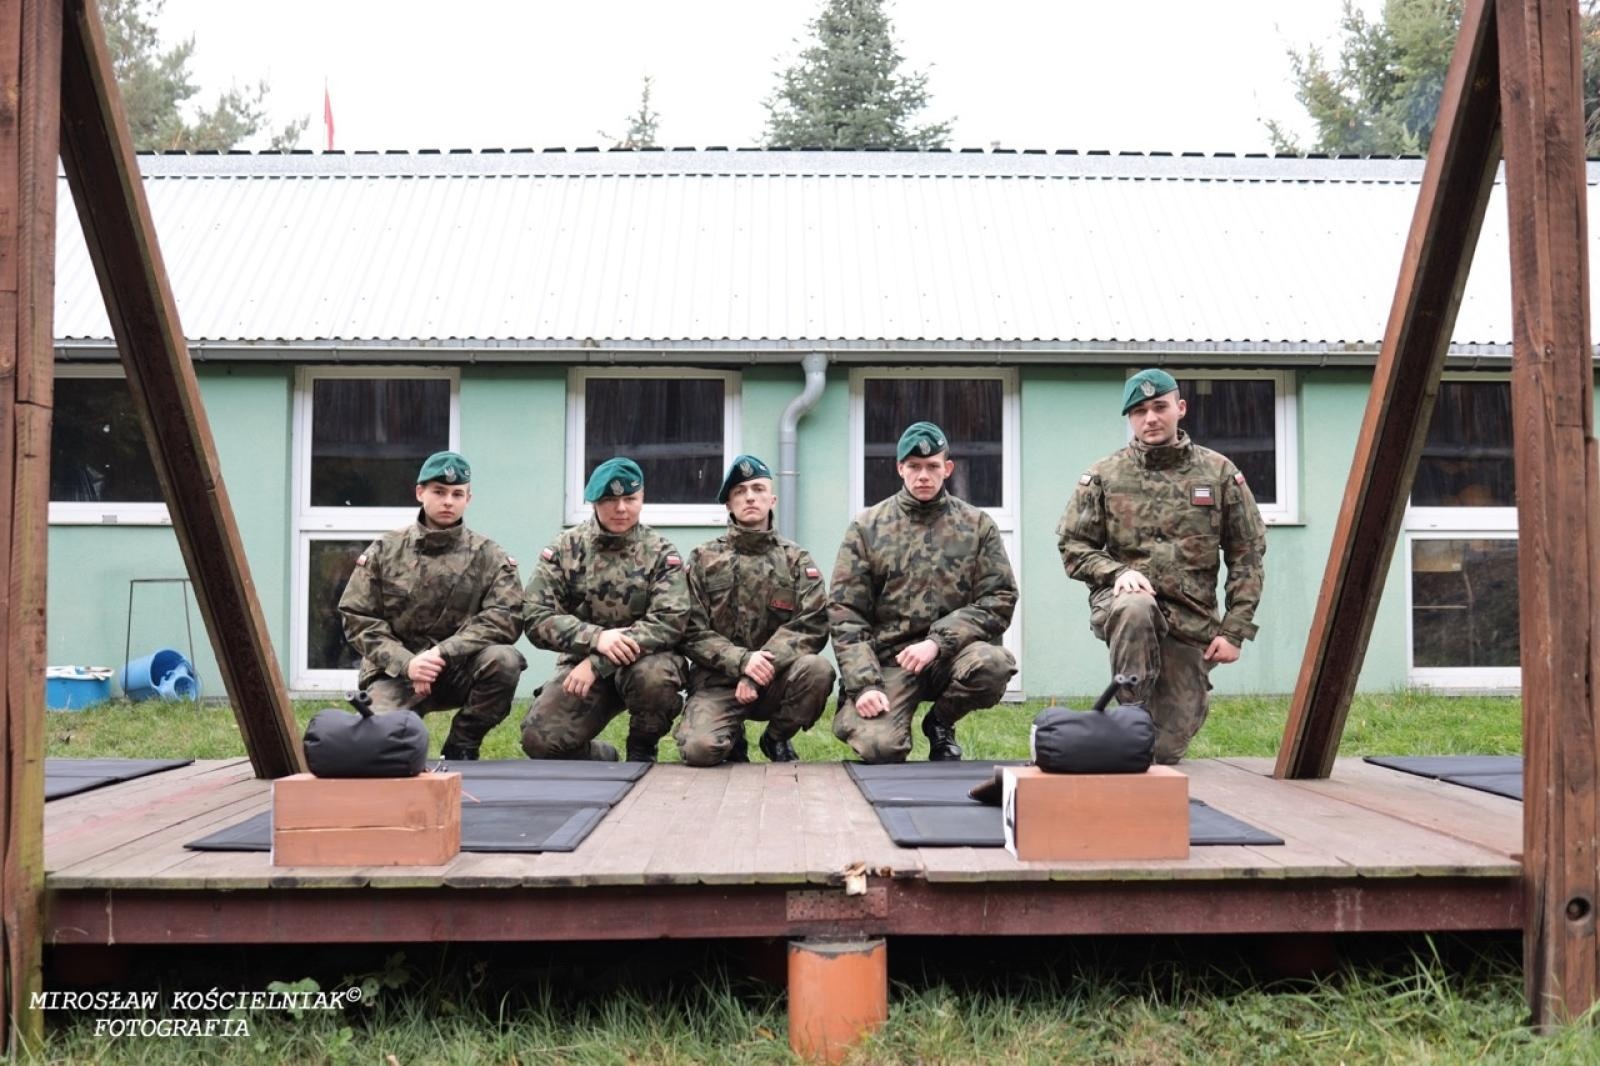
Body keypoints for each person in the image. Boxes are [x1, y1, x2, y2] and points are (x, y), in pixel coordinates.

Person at [1056, 369, 1267, 763]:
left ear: (1179, 409)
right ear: (1129, 419)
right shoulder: (1104, 475)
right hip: (1123, 607)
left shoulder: (1218, 473)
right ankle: (1130, 716)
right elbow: (1073, 545)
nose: (1150, 418)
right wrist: (1118, 573)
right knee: (1136, 607)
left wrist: (1235, 630)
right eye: (1139, 411)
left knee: (1164, 750)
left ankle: (1135, 732)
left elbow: (1247, 553)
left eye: (1159, 407)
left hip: (1191, 622)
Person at [829, 421, 1018, 763]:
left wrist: (937, 642)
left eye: (932, 466)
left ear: (948, 468)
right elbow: (846, 613)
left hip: (950, 655)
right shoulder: (867, 528)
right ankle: (863, 713)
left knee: (993, 664)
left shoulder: (976, 526)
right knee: (879, 748)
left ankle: (940, 723)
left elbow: (999, 598)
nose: (923, 476)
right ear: (900, 468)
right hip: (889, 661)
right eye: (914, 467)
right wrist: (864, 684)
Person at [338, 450, 526, 761]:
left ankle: (462, 746)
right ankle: (402, 738)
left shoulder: (489, 556)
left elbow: (504, 619)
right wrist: (407, 662)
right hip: (395, 673)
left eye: (457, 494)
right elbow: (357, 617)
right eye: (439, 492)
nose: (448, 501)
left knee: (504, 660)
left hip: (458, 670)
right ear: (420, 492)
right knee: (369, 748)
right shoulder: (386, 550)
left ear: (468, 498)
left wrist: (441, 653)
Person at [520, 457, 688, 762]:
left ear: (642, 498)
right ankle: (600, 756)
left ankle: (641, 747)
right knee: (539, 740)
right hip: (580, 666)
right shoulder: (565, 549)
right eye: (610, 500)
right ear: (594, 502)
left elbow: (669, 621)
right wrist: (595, 638)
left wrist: (599, 661)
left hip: (644, 663)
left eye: (630, 499)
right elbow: (535, 615)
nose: (621, 508)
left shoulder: (661, 552)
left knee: (655, 679)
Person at [676, 455, 834, 766]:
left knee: (818, 670)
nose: (750, 497)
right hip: (717, 681)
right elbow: (689, 630)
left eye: (758, 489)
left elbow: (812, 624)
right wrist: (741, 662)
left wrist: (760, 669)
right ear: (729, 505)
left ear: (772, 499)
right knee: (699, 750)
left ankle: (776, 737)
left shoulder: (796, 561)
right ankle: (731, 737)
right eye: (740, 491)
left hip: (775, 680)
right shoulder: (703, 559)